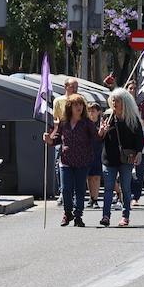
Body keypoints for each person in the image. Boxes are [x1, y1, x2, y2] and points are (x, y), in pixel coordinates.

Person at [44, 94, 98, 226]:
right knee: (66, 189)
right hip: (66, 160)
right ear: (70, 107)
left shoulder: (87, 123)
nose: (79, 107)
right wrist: (49, 139)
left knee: (80, 190)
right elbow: (56, 139)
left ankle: (78, 215)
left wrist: (101, 133)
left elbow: (95, 139)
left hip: (82, 161)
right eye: (75, 104)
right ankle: (68, 213)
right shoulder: (64, 123)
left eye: (80, 104)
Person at [96, 88, 144, 227]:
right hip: (109, 158)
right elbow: (99, 139)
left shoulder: (132, 118)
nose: (114, 103)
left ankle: (125, 216)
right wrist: (101, 133)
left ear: (125, 102)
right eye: (113, 100)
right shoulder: (107, 117)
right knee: (108, 188)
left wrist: (138, 153)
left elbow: (139, 138)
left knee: (125, 188)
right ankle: (106, 216)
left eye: (117, 100)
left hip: (126, 159)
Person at [85, 99, 105, 207]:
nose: (91, 113)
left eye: (93, 110)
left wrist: (102, 132)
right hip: (87, 152)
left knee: (96, 176)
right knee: (89, 176)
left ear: (98, 112)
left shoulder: (101, 123)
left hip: (98, 151)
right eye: (89, 110)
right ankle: (91, 197)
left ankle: (95, 199)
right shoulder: (85, 123)